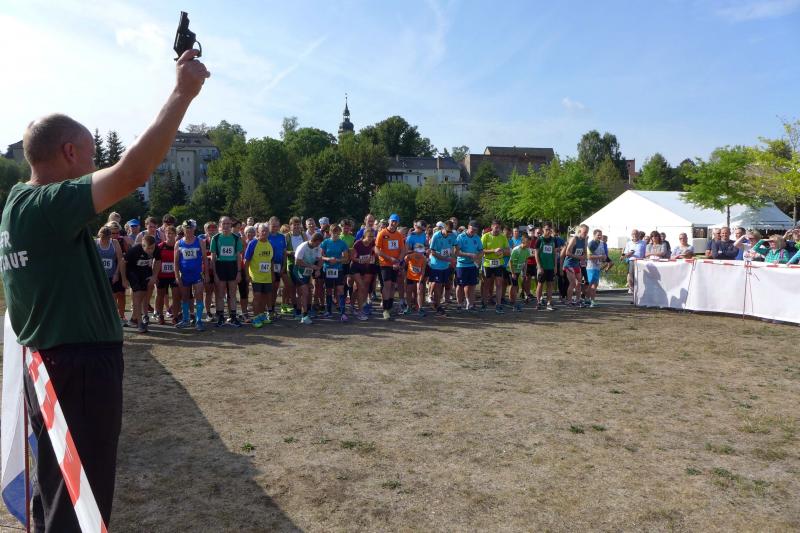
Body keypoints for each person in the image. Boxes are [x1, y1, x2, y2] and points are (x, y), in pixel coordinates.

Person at [0, 50, 208, 532]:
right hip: (77, 367)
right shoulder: (48, 204)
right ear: (69, 152)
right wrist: (182, 94)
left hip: (53, 364)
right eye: (91, 155)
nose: (95, 164)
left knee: (57, 486)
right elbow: (133, 173)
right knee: (80, 497)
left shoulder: (17, 203)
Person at [210, 216, 244, 327]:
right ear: (220, 225)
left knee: (232, 294)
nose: (226, 226)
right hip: (220, 266)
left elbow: (238, 257)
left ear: (231, 225)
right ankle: (220, 317)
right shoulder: (215, 238)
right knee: (220, 294)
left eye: (228, 224)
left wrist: (239, 272)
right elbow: (213, 258)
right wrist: (215, 274)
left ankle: (233, 317)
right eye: (223, 223)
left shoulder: (236, 238)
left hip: (232, 266)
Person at [175, 220, 208, 331]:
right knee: (185, 297)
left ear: (194, 229)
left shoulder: (200, 241)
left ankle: (198, 321)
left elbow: (205, 259)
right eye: (186, 228)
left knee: (199, 295)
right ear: (183, 229)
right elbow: (176, 262)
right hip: (185, 275)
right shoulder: (179, 243)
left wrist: (206, 274)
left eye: (190, 228)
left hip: (197, 274)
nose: (188, 230)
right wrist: (177, 276)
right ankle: (186, 320)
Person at [374, 214, 405, 319]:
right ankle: (385, 309)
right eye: (392, 221)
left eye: (396, 221)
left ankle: (390, 307)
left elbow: (402, 250)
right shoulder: (382, 233)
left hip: (395, 264)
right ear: (389, 221)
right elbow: (376, 249)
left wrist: (398, 261)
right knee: (387, 285)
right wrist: (389, 258)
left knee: (392, 285)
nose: (394, 223)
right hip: (385, 264)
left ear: (398, 223)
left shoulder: (399, 235)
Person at [243, 223, 274, 328]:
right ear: (258, 232)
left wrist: (272, 274)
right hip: (256, 276)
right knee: (257, 297)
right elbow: (246, 261)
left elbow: (271, 261)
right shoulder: (253, 243)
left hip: (267, 276)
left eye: (266, 231)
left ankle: (261, 315)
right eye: (262, 231)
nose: (264, 233)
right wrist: (247, 275)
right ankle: (255, 318)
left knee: (265, 297)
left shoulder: (270, 244)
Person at [96, 226, 127, 325]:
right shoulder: (95, 243)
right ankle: (103, 318)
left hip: (112, 274)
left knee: (116, 296)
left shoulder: (114, 242)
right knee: (101, 297)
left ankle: (119, 317)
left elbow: (120, 259)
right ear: (100, 236)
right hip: (100, 276)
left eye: (107, 238)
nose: (104, 240)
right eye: (103, 238)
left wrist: (116, 273)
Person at [320, 224, 350, 321]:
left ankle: (343, 313)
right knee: (328, 290)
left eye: (337, 232)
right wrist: (328, 259)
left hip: (338, 269)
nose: (335, 234)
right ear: (330, 232)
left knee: (340, 290)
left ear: (339, 232)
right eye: (333, 231)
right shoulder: (325, 242)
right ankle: (329, 311)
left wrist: (337, 260)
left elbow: (346, 258)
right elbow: (320, 256)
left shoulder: (342, 243)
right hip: (327, 269)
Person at [293, 232, 324, 324]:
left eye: (319, 243)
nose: (318, 245)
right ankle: (304, 315)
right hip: (299, 271)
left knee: (302, 293)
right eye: (317, 243)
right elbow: (297, 261)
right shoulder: (303, 247)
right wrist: (311, 266)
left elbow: (320, 259)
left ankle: (299, 312)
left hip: (307, 271)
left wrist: (318, 269)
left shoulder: (318, 247)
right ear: (313, 241)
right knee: (305, 292)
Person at [428, 220, 457, 316]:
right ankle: (438, 305)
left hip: (446, 265)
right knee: (438, 285)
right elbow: (433, 252)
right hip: (436, 265)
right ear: (443, 228)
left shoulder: (452, 235)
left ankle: (437, 303)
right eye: (447, 231)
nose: (448, 233)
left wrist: (453, 257)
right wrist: (447, 259)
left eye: (450, 232)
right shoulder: (436, 236)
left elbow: (455, 247)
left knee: (443, 285)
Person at [153, 225, 180, 325]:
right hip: (161, 276)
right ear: (165, 234)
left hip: (174, 275)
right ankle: (160, 315)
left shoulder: (178, 246)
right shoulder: (160, 246)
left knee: (176, 296)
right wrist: (155, 276)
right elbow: (155, 261)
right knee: (160, 296)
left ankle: (175, 316)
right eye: (168, 233)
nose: (170, 235)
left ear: (175, 234)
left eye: (172, 233)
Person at [480, 220, 510, 313]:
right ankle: (484, 304)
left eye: (499, 228)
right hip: (488, 263)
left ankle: (498, 305)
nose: (497, 229)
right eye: (496, 227)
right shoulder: (486, 236)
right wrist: (493, 250)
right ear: (492, 227)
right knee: (487, 284)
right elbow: (481, 250)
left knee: (499, 284)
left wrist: (502, 251)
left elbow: (508, 251)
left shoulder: (503, 237)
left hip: (499, 263)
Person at [454, 220, 483, 312]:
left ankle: (470, 304)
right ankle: (459, 304)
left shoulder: (477, 238)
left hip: (473, 265)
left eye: (475, 230)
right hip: (462, 265)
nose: (473, 231)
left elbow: (481, 251)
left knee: (472, 285)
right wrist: (468, 255)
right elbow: (456, 252)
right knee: (460, 285)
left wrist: (478, 257)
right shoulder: (460, 237)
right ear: (468, 227)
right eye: (472, 229)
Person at [351, 229, 377, 320]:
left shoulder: (372, 243)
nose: (371, 238)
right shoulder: (358, 243)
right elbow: (352, 258)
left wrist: (372, 258)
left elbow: (374, 253)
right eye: (369, 236)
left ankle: (352, 306)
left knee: (358, 288)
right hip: (355, 267)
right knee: (361, 287)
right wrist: (361, 260)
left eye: (372, 236)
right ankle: (360, 312)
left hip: (365, 268)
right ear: (364, 236)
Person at [562, 224, 588, 307]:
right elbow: (567, 252)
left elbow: (585, 253)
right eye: (584, 232)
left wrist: (584, 256)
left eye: (587, 232)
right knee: (572, 283)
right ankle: (569, 301)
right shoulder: (574, 239)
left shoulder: (584, 240)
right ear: (580, 231)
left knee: (579, 282)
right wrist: (579, 257)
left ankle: (577, 300)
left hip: (576, 264)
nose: (586, 234)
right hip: (569, 264)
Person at [534, 223, 558, 311]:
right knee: (540, 284)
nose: (548, 231)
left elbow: (555, 254)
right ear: (543, 229)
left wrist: (555, 266)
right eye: (546, 229)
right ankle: (538, 302)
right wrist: (539, 266)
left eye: (549, 229)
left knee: (550, 284)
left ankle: (549, 303)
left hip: (550, 266)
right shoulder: (539, 240)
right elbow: (536, 254)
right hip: (542, 266)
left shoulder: (553, 240)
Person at [507, 232, 531, 311]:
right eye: (528, 243)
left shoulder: (527, 250)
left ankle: (512, 301)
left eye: (530, 243)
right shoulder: (516, 249)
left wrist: (524, 273)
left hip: (518, 270)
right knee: (514, 286)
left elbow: (525, 262)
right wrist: (513, 273)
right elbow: (510, 262)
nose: (529, 245)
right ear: (523, 242)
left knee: (514, 286)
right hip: (511, 270)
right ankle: (513, 302)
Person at [202, 220, 218, 320]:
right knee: (208, 292)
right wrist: (209, 257)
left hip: (219, 270)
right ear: (205, 230)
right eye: (209, 229)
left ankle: (219, 312)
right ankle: (208, 312)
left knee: (219, 292)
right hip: (207, 270)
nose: (211, 231)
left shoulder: (219, 241)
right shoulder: (203, 242)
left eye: (213, 228)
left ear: (217, 230)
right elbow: (200, 257)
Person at [585, 229, 605, 307]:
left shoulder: (601, 243)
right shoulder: (591, 244)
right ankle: (591, 301)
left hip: (597, 266)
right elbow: (589, 257)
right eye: (598, 235)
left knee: (595, 285)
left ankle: (588, 300)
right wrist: (600, 256)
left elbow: (603, 254)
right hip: (591, 267)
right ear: (594, 235)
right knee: (592, 284)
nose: (600, 236)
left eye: (600, 235)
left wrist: (604, 258)